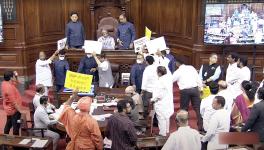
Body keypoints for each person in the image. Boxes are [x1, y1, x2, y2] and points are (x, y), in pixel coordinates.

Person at [172, 58, 203, 131]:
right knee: (198, 108)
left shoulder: (178, 71)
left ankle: (183, 127)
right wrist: (201, 88)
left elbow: (171, 80)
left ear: (177, 63)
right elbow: (198, 78)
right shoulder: (191, 68)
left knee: (184, 109)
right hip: (195, 89)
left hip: (185, 91)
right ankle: (201, 127)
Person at [151, 66, 174, 136]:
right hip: (167, 101)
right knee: (166, 117)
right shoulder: (168, 79)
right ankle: (166, 131)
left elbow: (160, 94)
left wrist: (153, 99)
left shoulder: (160, 81)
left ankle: (162, 134)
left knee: (161, 118)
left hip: (161, 102)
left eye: (156, 71)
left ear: (159, 73)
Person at [1, 71, 22, 135]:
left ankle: (5, 136)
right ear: (11, 78)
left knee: (9, 123)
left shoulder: (5, 83)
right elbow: (14, 102)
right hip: (13, 110)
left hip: (10, 109)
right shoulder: (9, 87)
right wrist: (20, 111)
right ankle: (16, 141)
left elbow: (19, 82)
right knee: (16, 126)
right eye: (13, 76)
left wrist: (16, 76)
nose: (14, 77)